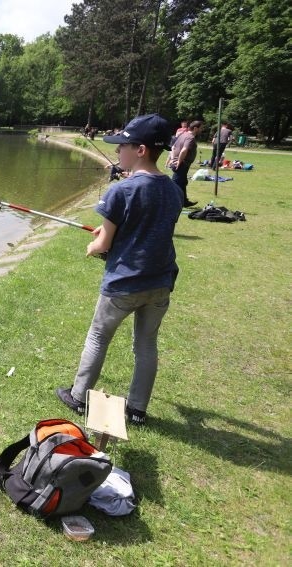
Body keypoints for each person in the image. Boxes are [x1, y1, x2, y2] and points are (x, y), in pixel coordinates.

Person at [55, 113, 182, 426]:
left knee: (98, 337)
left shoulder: (120, 191)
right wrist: (110, 231)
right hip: (161, 281)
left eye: (123, 145)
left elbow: (104, 245)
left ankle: (79, 396)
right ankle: (137, 410)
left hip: (125, 283)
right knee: (146, 345)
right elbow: (149, 228)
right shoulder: (173, 190)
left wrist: (94, 245)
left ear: (140, 150)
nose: (116, 151)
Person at [168, 120, 202, 207]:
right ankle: (169, 202)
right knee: (176, 183)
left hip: (181, 163)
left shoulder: (183, 134)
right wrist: (178, 161)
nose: (202, 130)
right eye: (200, 128)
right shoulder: (190, 137)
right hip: (181, 164)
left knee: (182, 182)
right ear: (195, 128)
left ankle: (184, 201)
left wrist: (172, 159)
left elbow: (173, 147)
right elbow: (184, 150)